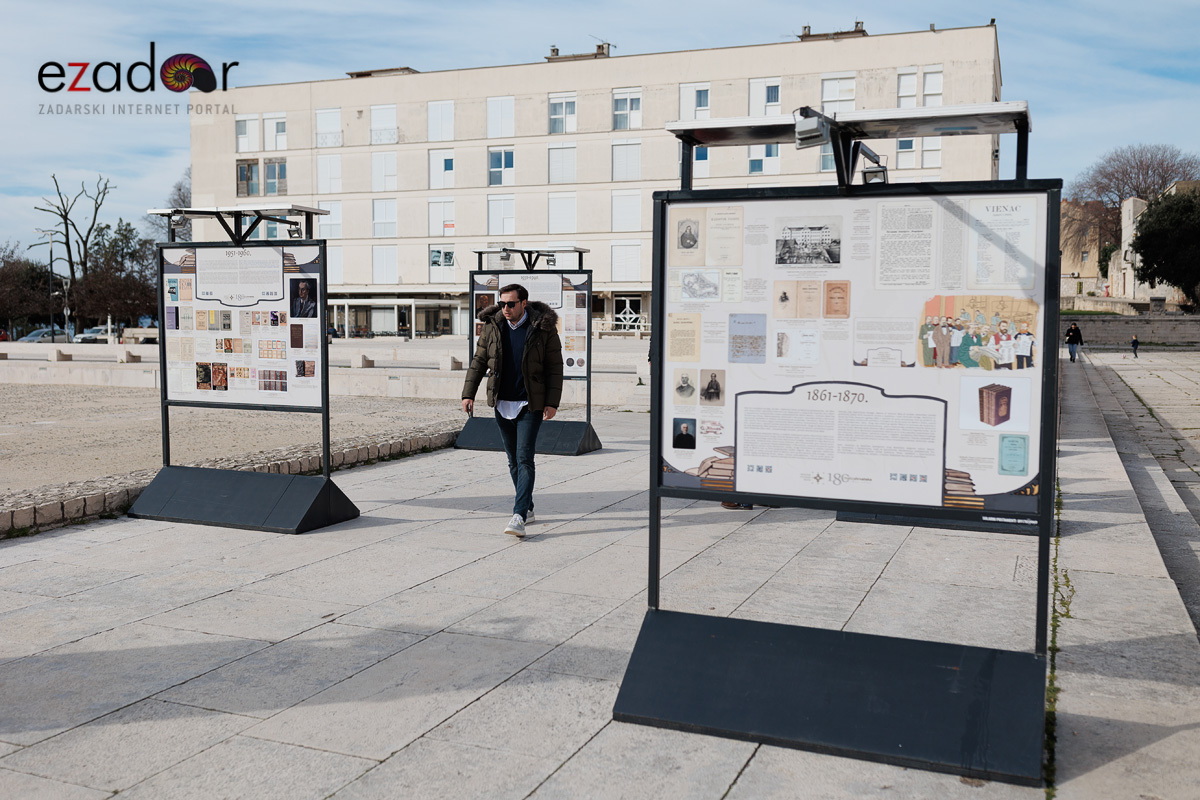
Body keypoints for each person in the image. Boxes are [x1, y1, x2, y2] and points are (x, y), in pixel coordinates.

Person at [462, 283, 563, 538]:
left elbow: (555, 367)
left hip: (530, 403)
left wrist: (552, 402)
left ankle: (518, 515)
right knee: (512, 460)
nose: (505, 309)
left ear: (523, 303)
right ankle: (527, 507)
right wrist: (468, 394)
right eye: (502, 303)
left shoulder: (543, 328)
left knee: (524, 458)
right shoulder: (492, 327)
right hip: (501, 402)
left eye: (510, 304)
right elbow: (479, 361)